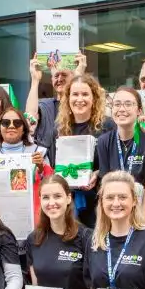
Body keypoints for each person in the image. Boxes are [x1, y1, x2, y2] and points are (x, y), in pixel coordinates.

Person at [54, 74, 113, 228]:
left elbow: (116, 163)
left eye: (85, 94)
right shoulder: (59, 129)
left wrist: (98, 173)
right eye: (75, 94)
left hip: (99, 203)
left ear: (94, 98)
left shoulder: (108, 126)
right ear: (68, 98)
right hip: (68, 205)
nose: (80, 99)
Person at [0, 107, 52, 218]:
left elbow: (51, 186)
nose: (11, 126)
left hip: (32, 214)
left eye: (17, 123)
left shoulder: (39, 152)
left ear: (24, 129)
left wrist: (41, 169)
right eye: (6, 123)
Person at [26, 52, 87, 150]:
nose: (60, 79)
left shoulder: (80, 104)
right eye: (56, 76)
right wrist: (35, 80)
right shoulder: (45, 106)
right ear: (51, 80)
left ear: (73, 77)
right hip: (47, 159)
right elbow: (30, 118)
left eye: (64, 75)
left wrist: (78, 77)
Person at [96, 87, 145, 196]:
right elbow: (104, 183)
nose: (121, 109)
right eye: (117, 104)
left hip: (142, 202)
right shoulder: (103, 141)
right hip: (115, 201)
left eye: (128, 104)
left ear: (139, 111)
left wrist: (142, 209)